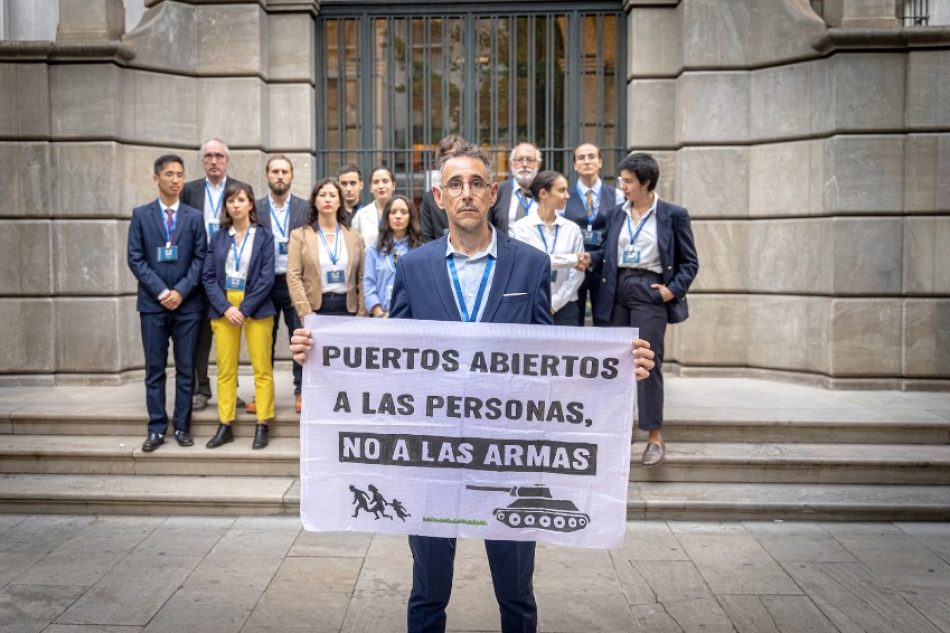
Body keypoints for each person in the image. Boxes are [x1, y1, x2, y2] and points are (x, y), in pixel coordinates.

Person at [290, 141, 655, 633]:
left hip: (507, 461)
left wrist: (612, 366)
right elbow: (391, 356)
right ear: (438, 197)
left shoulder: (528, 264)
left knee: (517, 596)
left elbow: (549, 352)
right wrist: (322, 354)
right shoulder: (414, 267)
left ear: (493, 193)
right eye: (455, 185)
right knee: (427, 594)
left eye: (477, 184)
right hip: (431, 460)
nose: (467, 194)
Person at [592, 152, 699, 467]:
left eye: (628, 182)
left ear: (646, 183)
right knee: (615, 364)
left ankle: (654, 437)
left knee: (646, 363)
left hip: (650, 292)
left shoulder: (673, 215)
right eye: (623, 180)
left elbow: (690, 261)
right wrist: (590, 259)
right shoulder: (615, 214)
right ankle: (615, 433)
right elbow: (604, 250)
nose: (622, 186)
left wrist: (672, 290)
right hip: (615, 289)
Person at [127, 154, 207, 452]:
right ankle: (157, 428)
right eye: (169, 174)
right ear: (156, 178)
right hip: (152, 305)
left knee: (186, 369)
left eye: (180, 175)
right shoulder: (141, 215)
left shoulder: (194, 217)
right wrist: (162, 292)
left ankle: (183, 426)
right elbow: (135, 258)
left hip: (187, 306)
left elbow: (201, 258)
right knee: (155, 369)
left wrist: (182, 291)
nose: (175, 180)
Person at [201, 183, 277, 450]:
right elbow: (208, 276)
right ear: (226, 207)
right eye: (230, 201)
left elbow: (267, 278)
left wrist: (244, 309)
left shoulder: (265, 237)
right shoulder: (219, 237)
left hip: (255, 306)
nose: (235, 205)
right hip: (224, 307)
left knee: (262, 368)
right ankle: (225, 423)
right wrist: (225, 308)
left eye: (241, 200)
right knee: (225, 369)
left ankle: (263, 423)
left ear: (251, 204)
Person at [180, 138, 249, 412]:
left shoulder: (239, 189)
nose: (213, 161)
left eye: (219, 156)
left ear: (227, 160)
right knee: (199, 337)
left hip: (230, 272)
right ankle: (201, 389)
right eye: (208, 156)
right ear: (202, 161)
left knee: (229, 336)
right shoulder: (189, 191)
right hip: (198, 273)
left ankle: (229, 389)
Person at [247, 155, 309, 415]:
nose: (280, 176)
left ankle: (301, 390)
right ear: (267, 176)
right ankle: (264, 394)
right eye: (275, 171)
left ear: (292, 176)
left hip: (294, 281)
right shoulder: (256, 208)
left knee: (298, 338)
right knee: (263, 341)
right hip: (264, 283)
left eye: (284, 171)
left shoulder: (304, 208)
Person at [511, 170, 589, 326]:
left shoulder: (572, 229)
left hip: (566, 306)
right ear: (543, 194)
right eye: (561, 190)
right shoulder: (520, 229)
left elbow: (578, 274)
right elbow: (531, 263)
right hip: (531, 305)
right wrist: (573, 259)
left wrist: (555, 304)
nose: (567, 195)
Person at [563, 142, 624, 326]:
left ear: (600, 162)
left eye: (591, 157)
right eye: (581, 158)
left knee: (605, 320)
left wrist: (595, 257)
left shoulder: (617, 195)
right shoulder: (564, 195)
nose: (587, 161)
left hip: (604, 265)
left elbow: (619, 234)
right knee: (573, 320)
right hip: (574, 266)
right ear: (574, 165)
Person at [287, 179, 366, 320]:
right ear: (314, 201)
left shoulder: (354, 237)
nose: (327, 199)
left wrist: (362, 311)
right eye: (322, 195)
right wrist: (306, 313)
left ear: (340, 202)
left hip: (348, 309)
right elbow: (293, 276)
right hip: (314, 308)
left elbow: (362, 277)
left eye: (332, 195)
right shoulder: (300, 235)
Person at [363, 195, 423, 318]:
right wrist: (379, 313)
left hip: (411, 318)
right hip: (381, 318)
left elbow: (423, 287)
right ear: (386, 217)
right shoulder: (374, 250)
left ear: (411, 216)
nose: (398, 216)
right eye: (393, 212)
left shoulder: (420, 250)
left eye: (404, 212)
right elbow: (368, 286)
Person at [489, 142, 540, 236]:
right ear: (512, 164)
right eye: (520, 159)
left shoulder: (545, 191)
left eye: (529, 160)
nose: (524, 164)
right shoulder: (498, 191)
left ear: (538, 164)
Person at [420, 134, 465, 242]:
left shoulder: (476, 193)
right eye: (447, 157)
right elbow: (426, 237)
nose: (452, 160)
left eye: (457, 154)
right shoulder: (429, 198)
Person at [350, 166, 395, 248]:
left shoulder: (403, 213)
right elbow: (355, 247)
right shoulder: (361, 215)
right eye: (376, 182)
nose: (380, 186)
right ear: (371, 187)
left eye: (385, 181)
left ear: (393, 185)